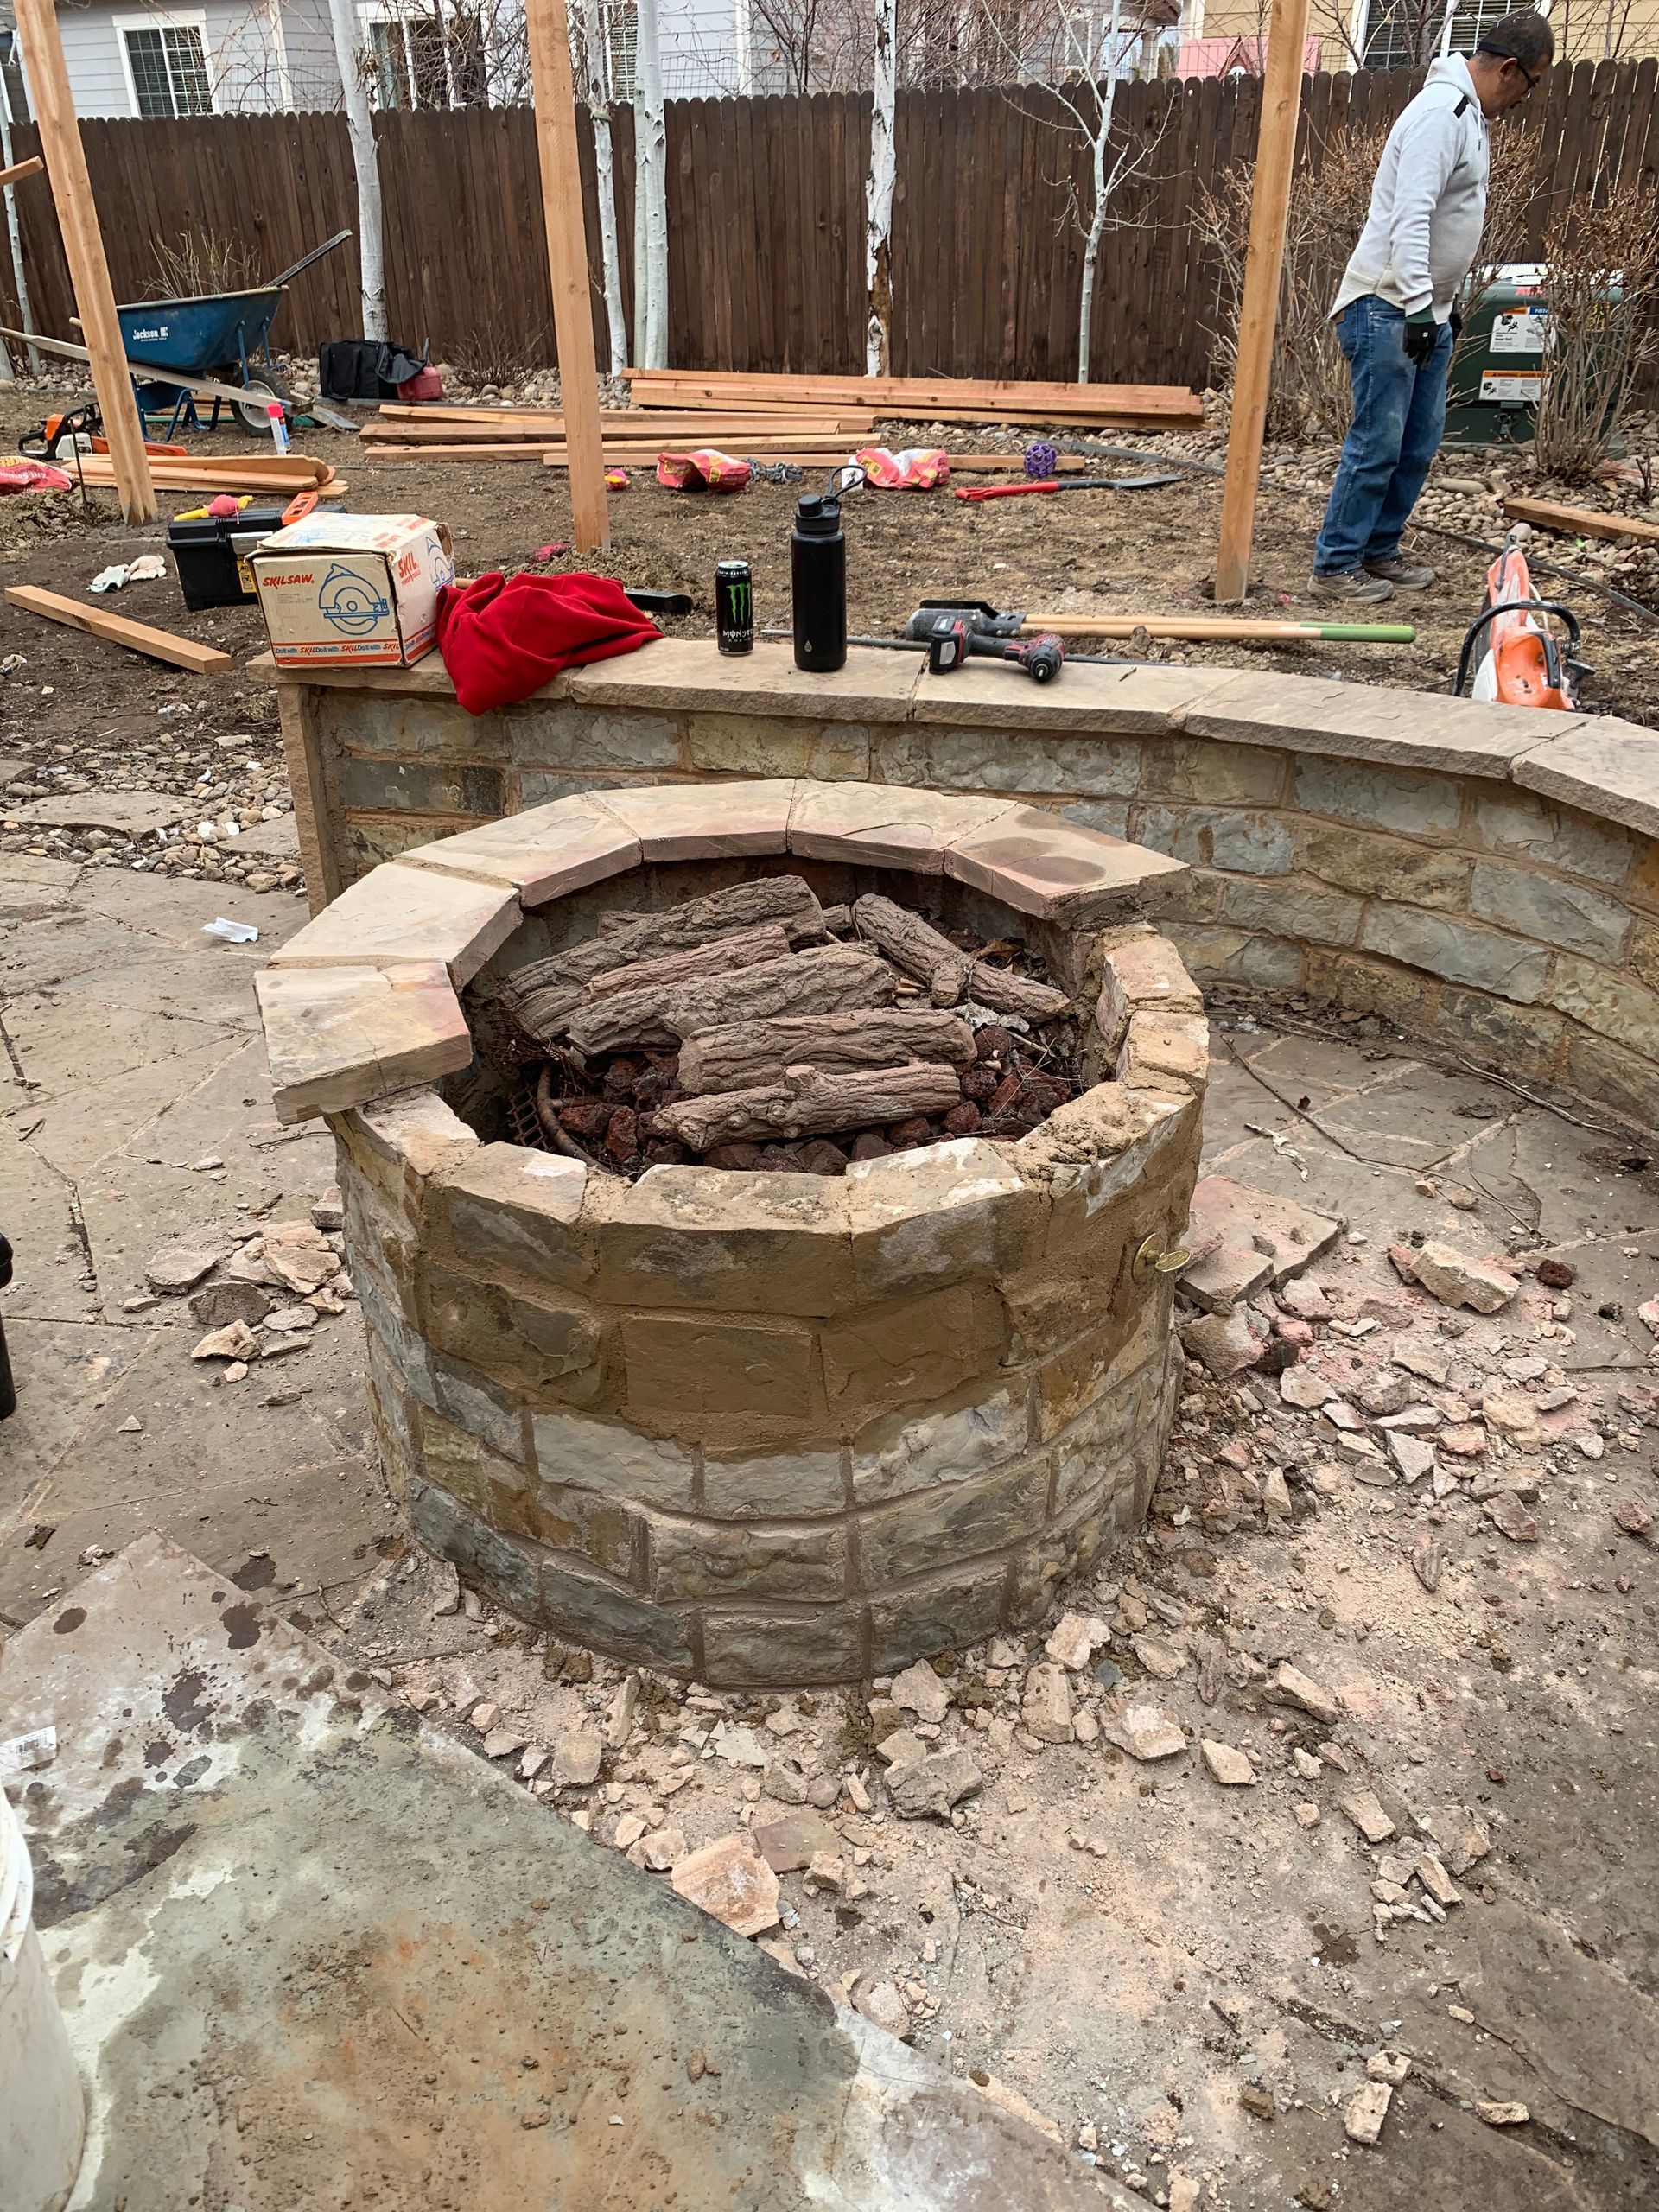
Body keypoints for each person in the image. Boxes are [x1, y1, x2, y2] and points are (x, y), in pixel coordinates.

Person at [1309, 11, 1554, 605]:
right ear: (1508, 69)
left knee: (1417, 444)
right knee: (1378, 442)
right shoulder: (1440, 114)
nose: (1528, 97)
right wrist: (1421, 306)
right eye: (1531, 83)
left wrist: (1441, 305)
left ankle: (1378, 550)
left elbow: (1445, 218)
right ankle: (1335, 565)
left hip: (1424, 310)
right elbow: (1410, 215)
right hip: (1387, 306)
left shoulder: (1468, 116)